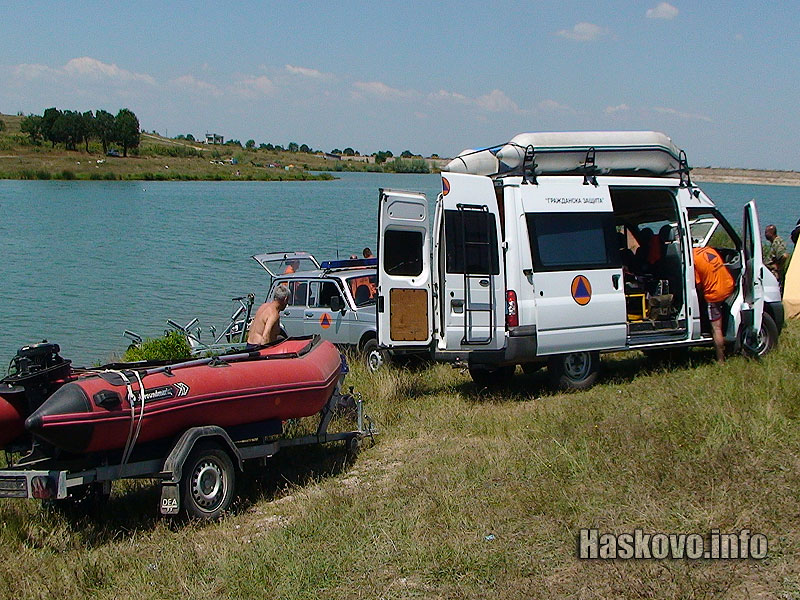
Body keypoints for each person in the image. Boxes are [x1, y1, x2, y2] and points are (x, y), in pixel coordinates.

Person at [693, 247, 735, 362]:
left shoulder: (693, 260)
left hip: (714, 295)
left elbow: (698, 286)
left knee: (716, 328)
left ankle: (721, 360)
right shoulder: (709, 250)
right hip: (728, 286)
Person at [765, 224, 789, 293]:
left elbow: (784, 256)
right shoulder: (773, 243)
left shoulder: (777, 242)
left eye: (767, 232)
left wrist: (778, 268)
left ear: (771, 233)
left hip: (775, 275)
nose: (765, 234)